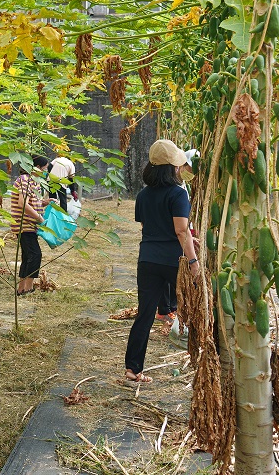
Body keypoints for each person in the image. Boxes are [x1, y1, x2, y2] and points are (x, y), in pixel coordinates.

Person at [124, 139, 199, 383]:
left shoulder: (143, 195)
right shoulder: (178, 193)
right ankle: (205, 360)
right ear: (172, 168)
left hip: (147, 259)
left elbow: (149, 228)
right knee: (196, 307)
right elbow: (181, 231)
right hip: (173, 261)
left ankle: (133, 369)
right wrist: (193, 260)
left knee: (144, 315)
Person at [155, 148, 201, 325]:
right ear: (182, 166)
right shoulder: (173, 188)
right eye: (190, 168)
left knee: (173, 273)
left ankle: (171, 308)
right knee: (169, 275)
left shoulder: (182, 186)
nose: (192, 173)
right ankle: (165, 310)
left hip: (180, 233)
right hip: (173, 235)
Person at [12, 155, 49, 296]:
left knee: (28, 256)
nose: (45, 172)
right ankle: (28, 288)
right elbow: (22, 204)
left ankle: (21, 289)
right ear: (37, 168)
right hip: (24, 224)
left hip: (29, 225)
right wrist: (39, 218)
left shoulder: (33, 182)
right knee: (35, 255)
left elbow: (31, 202)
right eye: (45, 169)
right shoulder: (25, 180)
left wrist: (44, 202)